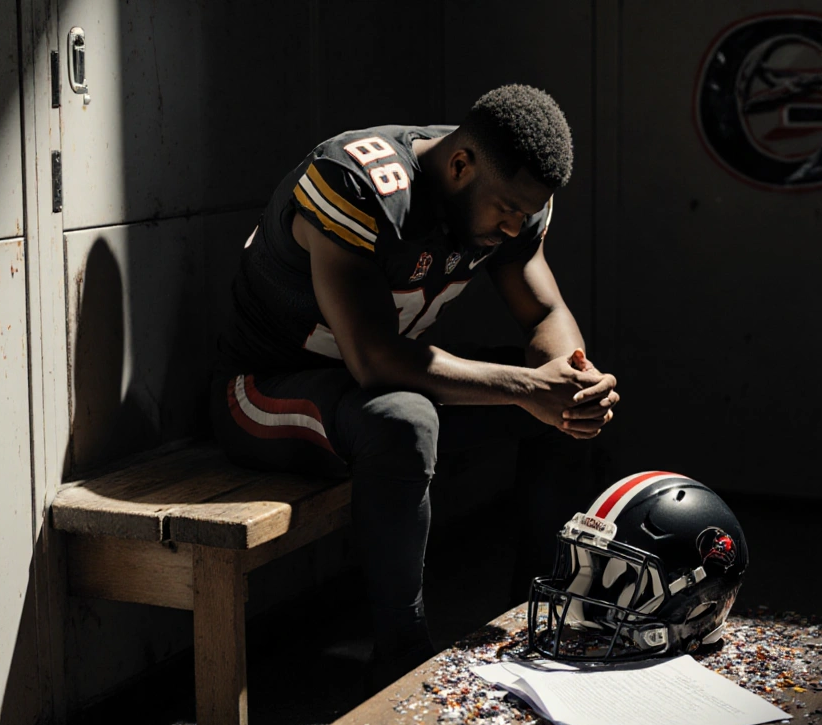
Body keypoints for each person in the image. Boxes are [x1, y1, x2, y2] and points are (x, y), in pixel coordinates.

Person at [211, 84, 619, 687]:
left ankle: (542, 616)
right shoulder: (356, 181)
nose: (513, 228)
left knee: (567, 413)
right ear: (460, 165)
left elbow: (543, 315)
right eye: (505, 210)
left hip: (379, 390)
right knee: (406, 419)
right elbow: (376, 360)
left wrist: (571, 383)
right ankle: (402, 655)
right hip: (264, 392)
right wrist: (529, 387)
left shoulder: (510, 198)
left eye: (524, 215)